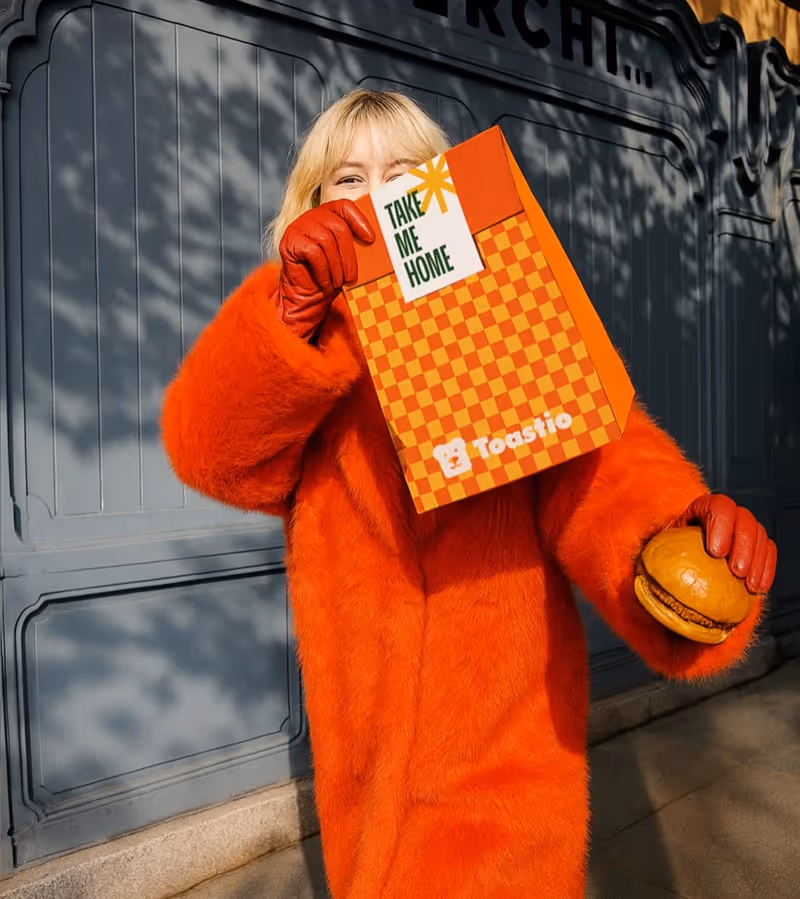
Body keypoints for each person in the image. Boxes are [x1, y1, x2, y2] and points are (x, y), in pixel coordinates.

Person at [160, 90, 777, 898]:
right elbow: (214, 452)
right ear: (310, 207)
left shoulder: (505, 310)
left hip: (503, 759)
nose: (379, 196)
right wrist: (288, 313)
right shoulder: (303, 336)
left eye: (407, 173)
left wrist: (676, 535)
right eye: (349, 178)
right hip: (366, 770)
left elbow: (596, 465)